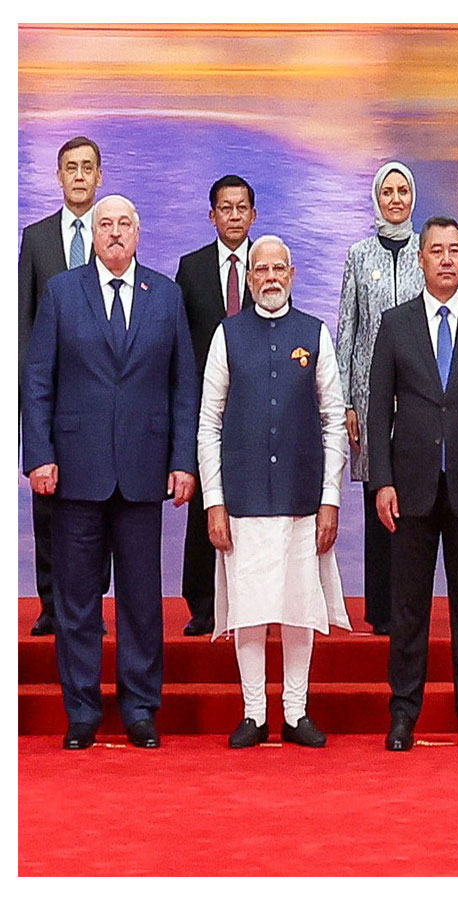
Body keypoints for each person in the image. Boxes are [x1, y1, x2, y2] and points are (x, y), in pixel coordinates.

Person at [23, 194, 198, 750]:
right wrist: (38, 454)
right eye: (106, 224)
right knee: (76, 600)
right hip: (74, 470)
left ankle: (141, 708)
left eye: (125, 224)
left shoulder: (166, 296)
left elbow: (183, 387)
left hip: (145, 472)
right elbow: (38, 381)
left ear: (138, 233)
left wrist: (182, 461)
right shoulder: (60, 293)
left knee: (143, 599)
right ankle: (82, 711)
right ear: (92, 234)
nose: (116, 233)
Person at [197, 235, 350, 749]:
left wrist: (331, 498)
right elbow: (208, 423)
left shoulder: (315, 333)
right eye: (260, 269)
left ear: (292, 273)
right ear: (250, 276)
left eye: (278, 268)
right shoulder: (228, 335)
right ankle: (254, 712)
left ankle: (296, 710)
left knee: (298, 605)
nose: (269, 277)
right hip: (242, 499)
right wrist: (213, 500)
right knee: (251, 609)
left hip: (302, 498)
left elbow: (334, 421)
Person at [371, 217, 458, 752]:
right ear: (421, 260)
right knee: (408, 607)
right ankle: (404, 711)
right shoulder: (395, 324)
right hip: (410, 487)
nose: (448, 259)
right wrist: (381, 481)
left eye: (456, 250)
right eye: (437, 251)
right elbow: (376, 406)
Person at [18, 135, 104, 637]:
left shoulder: (116, 230)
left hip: (104, 396)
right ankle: (51, 603)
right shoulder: (36, 238)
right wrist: (28, 402)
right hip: (50, 396)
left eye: (86, 167)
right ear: (58, 175)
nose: (78, 175)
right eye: (70, 167)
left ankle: (90, 601)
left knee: (100, 501)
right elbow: (23, 322)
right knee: (47, 503)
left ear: (99, 175)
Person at [336, 161, 425, 636]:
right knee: (379, 498)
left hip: (418, 397)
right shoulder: (359, 255)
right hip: (370, 400)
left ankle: (412, 607)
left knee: (415, 499)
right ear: (377, 198)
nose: (395, 199)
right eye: (387, 191)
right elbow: (346, 330)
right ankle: (382, 609)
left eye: (402, 191)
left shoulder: (427, 250)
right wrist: (347, 402)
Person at [175, 174, 257, 637]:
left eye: (241, 208)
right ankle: (203, 605)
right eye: (225, 208)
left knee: (252, 507)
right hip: (206, 406)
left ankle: (250, 601)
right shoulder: (191, 268)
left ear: (253, 214)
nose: (233, 216)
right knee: (205, 504)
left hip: (256, 405)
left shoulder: (267, 264)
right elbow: (179, 340)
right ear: (212, 216)